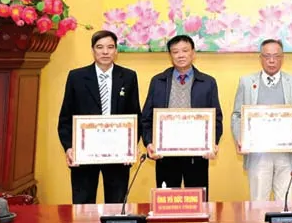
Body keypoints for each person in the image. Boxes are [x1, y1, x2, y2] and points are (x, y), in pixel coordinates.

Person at [57, 30, 141, 204]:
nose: (105, 52)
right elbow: (65, 118)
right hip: (84, 152)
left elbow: (135, 115)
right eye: (100, 47)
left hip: (118, 153)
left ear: (116, 50)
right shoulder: (76, 77)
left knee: (116, 205)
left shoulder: (128, 77)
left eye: (110, 47)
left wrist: (131, 146)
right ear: (93, 50)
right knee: (83, 204)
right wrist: (69, 147)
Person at [231, 39, 292, 207]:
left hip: (287, 153)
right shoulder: (246, 82)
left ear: (283, 58)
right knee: (258, 203)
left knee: (286, 204)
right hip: (257, 153)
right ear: (260, 58)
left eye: (276, 56)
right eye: (267, 56)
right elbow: (237, 115)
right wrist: (240, 137)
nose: (272, 61)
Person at [141, 35, 223, 200]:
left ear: (193, 53)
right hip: (165, 156)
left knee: (198, 203)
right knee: (167, 203)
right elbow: (146, 118)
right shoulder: (158, 81)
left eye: (185, 50)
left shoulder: (208, 82)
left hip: (197, 155)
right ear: (170, 55)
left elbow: (216, 118)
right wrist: (149, 143)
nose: (180, 55)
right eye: (175, 52)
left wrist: (211, 143)